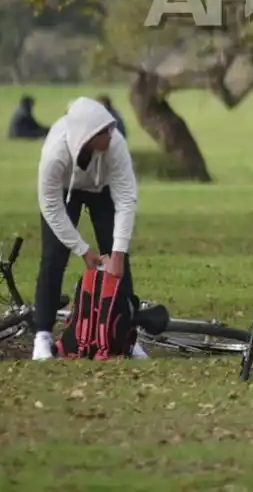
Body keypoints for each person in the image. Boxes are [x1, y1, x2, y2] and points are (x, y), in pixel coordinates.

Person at [31, 96, 162, 361]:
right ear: (87, 135)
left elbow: (126, 199)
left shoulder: (116, 145)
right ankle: (42, 335)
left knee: (119, 261)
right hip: (65, 194)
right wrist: (82, 249)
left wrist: (117, 253)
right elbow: (51, 206)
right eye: (104, 131)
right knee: (54, 258)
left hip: (102, 191)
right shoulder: (55, 153)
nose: (111, 135)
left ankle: (125, 336)